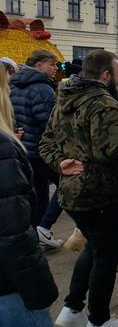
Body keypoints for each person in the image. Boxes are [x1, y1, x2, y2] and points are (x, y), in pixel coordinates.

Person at [41, 50, 118, 327]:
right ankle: (100, 320)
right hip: (103, 194)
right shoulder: (104, 103)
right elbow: (110, 152)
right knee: (106, 258)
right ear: (106, 74)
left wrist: (59, 163)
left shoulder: (65, 98)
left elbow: (45, 142)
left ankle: (71, 309)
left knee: (93, 248)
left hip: (72, 192)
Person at [0, 63, 58, 327]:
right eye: (7, 86)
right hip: (8, 287)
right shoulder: (5, 148)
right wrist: (40, 289)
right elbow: (14, 234)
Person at [10, 50, 63, 247]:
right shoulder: (42, 88)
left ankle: (35, 233)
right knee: (65, 185)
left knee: (38, 192)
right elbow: (50, 124)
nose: (56, 68)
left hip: (25, 148)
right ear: (39, 65)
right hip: (42, 150)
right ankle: (44, 228)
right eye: (52, 64)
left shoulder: (15, 85)